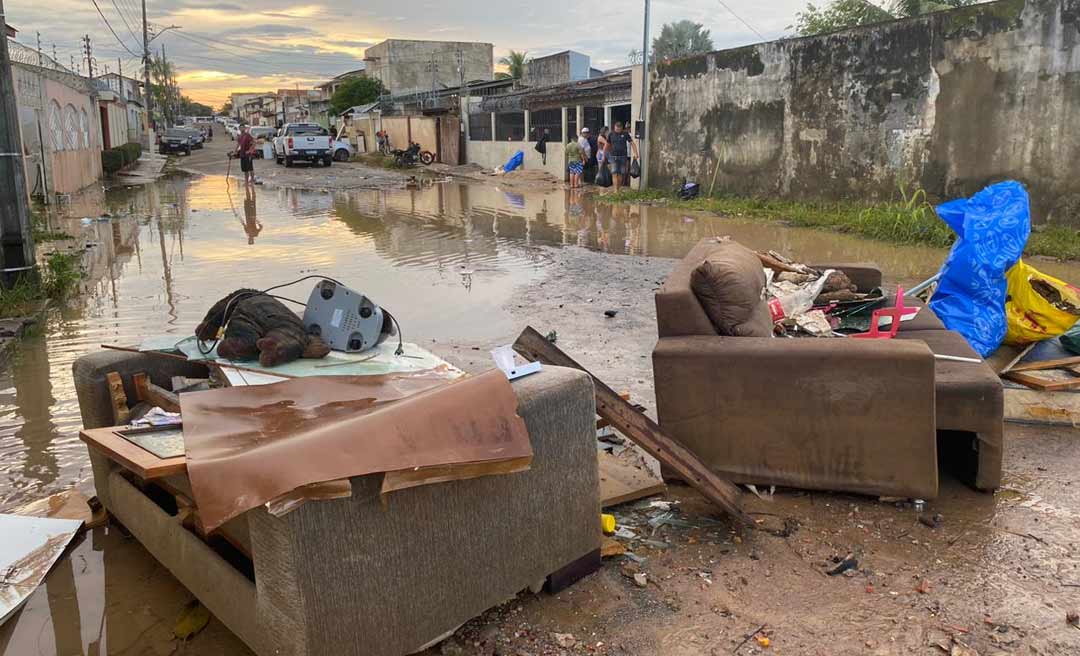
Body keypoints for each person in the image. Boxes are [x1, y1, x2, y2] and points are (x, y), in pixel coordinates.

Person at [608, 122, 639, 193]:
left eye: (619, 129)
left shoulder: (625, 134)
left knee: (621, 173)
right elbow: (607, 144)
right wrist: (605, 154)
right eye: (616, 128)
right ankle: (616, 190)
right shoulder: (611, 134)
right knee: (614, 173)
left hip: (623, 156)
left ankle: (618, 188)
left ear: (621, 128)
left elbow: (632, 143)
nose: (618, 130)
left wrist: (636, 153)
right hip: (614, 156)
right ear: (614, 127)